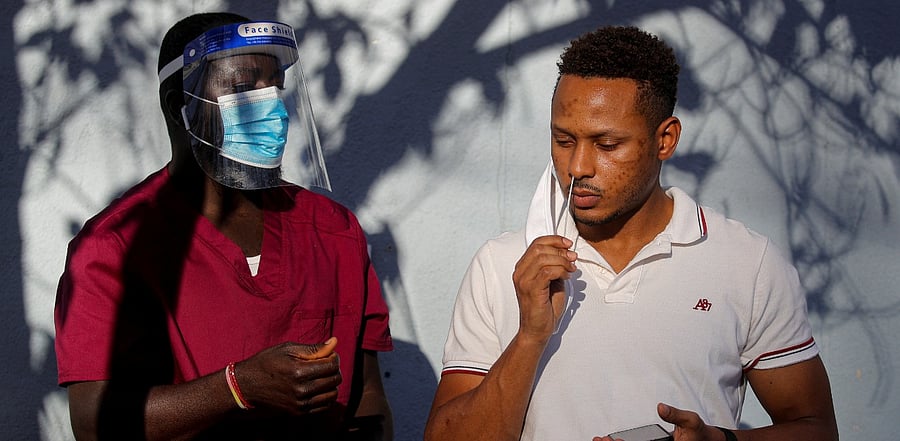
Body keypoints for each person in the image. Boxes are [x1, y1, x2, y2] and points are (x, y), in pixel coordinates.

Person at [424, 26, 837, 441]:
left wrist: (719, 440)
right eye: (563, 139)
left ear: (666, 139)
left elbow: (816, 429)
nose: (579, 167)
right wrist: (530, 337)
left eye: (607, 144)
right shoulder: (503, 264)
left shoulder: (748, 262)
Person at [54, 12, 393, 441]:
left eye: (275, 87)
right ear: (180, 108)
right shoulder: (115, 249)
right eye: (241, 87)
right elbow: (95, 422)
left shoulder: (333, 231)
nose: (270, 105)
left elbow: (367, 397)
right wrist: (237, 387)